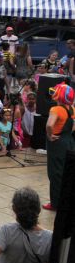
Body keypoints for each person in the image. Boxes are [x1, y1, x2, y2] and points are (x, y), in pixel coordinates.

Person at [44, 83, 75, 211]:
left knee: (55, 174)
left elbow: (49, 125)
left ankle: (55, 204)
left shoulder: (56, 110)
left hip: (57, 144)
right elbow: (73, 127)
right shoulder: (72, 109)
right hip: (69, 142)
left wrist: (50, 136)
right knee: (67, 172)